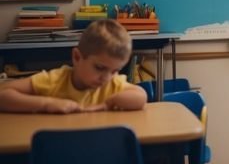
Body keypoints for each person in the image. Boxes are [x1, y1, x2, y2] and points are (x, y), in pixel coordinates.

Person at [0, 19, 147, 113]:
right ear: (77, 57)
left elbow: (141, 96)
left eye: (115, 71)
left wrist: (108, 103)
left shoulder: (112, 84)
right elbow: (3, 95)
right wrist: (46, 103)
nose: (106, 78)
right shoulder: (55, 81)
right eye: (100, 68)